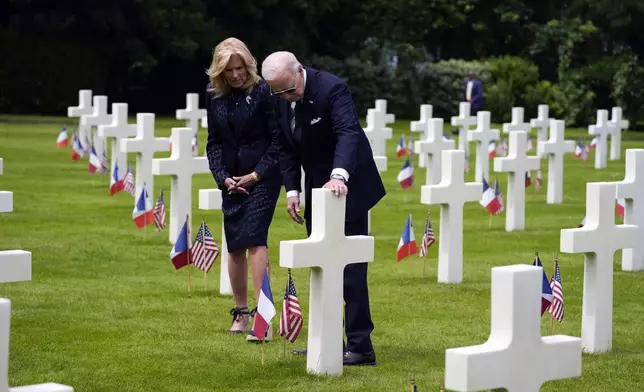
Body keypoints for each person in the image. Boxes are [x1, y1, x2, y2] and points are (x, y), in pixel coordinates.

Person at [261, 51, 386, 366]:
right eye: (281, 93)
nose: (289, 97)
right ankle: (327, 339)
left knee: (350, 270)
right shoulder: (277, 96)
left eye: (291, 89)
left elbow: (348, 134)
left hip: (349, 183)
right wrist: (291, 190)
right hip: (316, 187)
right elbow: (285, 146)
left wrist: (338, 175)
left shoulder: (332, 88)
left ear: (299, 70)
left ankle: (360, 347)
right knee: (321, 266)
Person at [205, 37, 281, 342]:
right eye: (228, 71)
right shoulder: (214, 95)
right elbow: (213, 141)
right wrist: (223, 176)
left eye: (239, 68)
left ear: (248, 64)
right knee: (234, 246)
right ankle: (240, 311)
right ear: (219, 73)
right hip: (231, 179)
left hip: (261, 177)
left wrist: (256, 174)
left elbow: (277, 139)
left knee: (256, 242)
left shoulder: (264, 91)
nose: (236, 75)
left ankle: (264, 318)